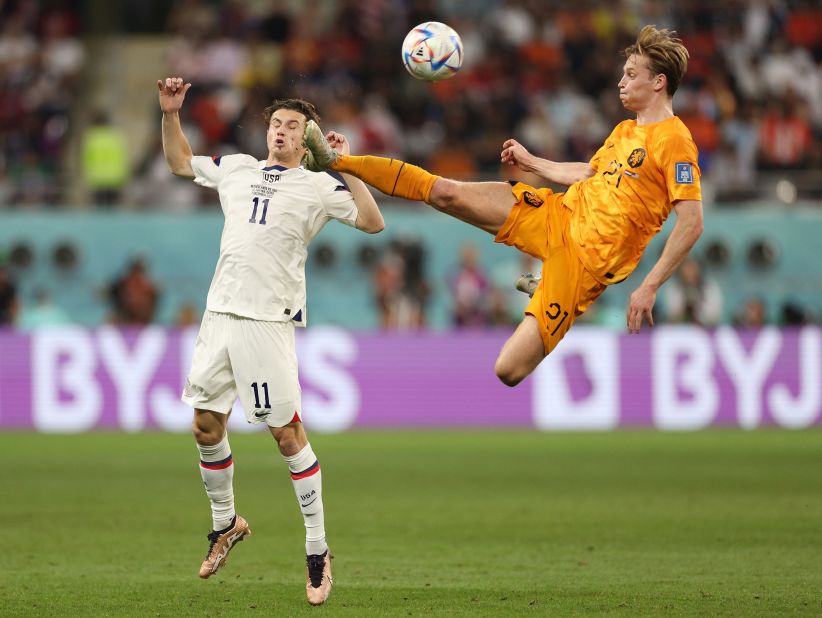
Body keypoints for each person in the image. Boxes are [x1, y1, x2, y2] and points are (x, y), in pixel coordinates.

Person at [303, 25, 703, 386]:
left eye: (631, 75)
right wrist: (532, 163)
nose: (621, 82)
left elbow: (692, 221)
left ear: (659, 83)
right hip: (557, 214)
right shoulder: (624, 130)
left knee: (508, 370)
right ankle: (338, 161)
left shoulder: (674, 141)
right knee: (447, 192)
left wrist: (649, 286)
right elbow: (588, 173)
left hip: (583, 265)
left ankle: (546, 290)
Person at [157, 76, 384, 605]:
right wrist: (171, 114)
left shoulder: (319, 185)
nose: (281, 132)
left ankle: (317, 549)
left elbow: (373, 223)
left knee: (286, 436)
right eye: (277, 124)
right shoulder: (236, 168)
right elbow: (179, 163)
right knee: (204, 423)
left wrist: (346, 168)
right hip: (220, 315)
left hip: (267, 321)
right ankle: (226, 524)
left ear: (308, 142)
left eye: (294, 127)